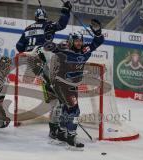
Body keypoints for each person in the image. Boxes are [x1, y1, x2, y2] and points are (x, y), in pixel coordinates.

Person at [42, 19, 104, 149]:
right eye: (76, 41)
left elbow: (98, 42)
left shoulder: (85, 49)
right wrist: (49, 37)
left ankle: (61, 133)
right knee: (75, 110)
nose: (79, 43)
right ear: (71, 41)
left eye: (80, 40)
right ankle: (71, 137)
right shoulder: (64, 48)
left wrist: (97, 32)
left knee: (67, 108)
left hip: (72, 85)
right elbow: (48, 46)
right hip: (62, 84)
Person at [15, 1, 71, 85]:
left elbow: (19, 46)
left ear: (35, 17)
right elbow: (61, 24)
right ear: (45, 17)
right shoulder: (48, 25)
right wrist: (65, 11)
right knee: (50, 81)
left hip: (30, 58)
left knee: (27, 82)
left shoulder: (28, 29)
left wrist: (28, 49)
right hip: (43, 57)